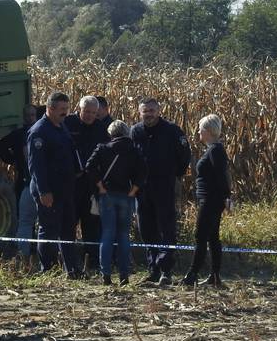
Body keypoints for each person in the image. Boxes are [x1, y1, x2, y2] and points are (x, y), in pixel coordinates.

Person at [130, 98, 191, 285]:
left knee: (166, 229)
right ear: (140, 112)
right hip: (142, 189)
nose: (148, 114)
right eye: (145, 111)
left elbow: (184, 156)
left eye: (152, 110)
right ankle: (153, 270)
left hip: (164, 187)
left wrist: (174, 174)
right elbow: (130, 157)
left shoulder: (172, 130)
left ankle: (166, 270)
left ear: (158, 111)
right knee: (146, 229)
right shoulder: (135, 131)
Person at [85, 120, 145, 285]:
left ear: (110, 133)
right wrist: (133, 190)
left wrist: (100, 186)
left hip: (107, 195)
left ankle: (106, 274)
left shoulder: (103, 148)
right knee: (123, 235)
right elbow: (143, 172)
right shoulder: (134, 150)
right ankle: (124, 276)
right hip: (126, 195)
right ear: (126, 132)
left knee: (107, 234)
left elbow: (89, 167)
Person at [27, 91, 78, 277]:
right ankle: (48, 269)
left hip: (65, 189)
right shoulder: (39, 132)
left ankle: (71, 269)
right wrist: (44, 191)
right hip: (49, 191)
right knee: (48, 230)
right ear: (50, 108)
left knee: (68, 230)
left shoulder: (61, 126)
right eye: (61, 109)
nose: (65, 112)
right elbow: (36, 165)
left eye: (67, 108)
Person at [182, 114, 232, 288]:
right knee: (212, 237)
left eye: (200, 129)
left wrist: (227, 196)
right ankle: (214, 276)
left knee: (200, 235)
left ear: (208, 131)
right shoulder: (213, 149)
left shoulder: (215, 150)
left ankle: (192, 275)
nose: (198, 132)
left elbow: (222, 176)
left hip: (211, 199)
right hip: (210, 199)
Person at [65, 96, 111, 273]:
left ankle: (92, 261)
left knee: (91, 224)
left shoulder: (101, 129)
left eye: (94, 112)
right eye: (87, 112)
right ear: (79, 109)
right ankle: (69, 262)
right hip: (72, 184)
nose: (90, 115)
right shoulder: (68, 124)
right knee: (69, 223)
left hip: (92, 185)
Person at [0, 104, 39, 259]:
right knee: (23, 215)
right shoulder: (19, 134)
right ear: (23, 117)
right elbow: (0, 146)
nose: (30, 118)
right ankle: (25, 250)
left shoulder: (40, 131)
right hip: (24, 178)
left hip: (37, 179)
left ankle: (35, 247)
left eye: (32, 115)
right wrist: (13, 160)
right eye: (27, 115)